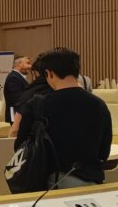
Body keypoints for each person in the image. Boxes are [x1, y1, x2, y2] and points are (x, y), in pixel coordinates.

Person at [15, 47, 112, 188]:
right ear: (76, 71)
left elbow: (20, 148)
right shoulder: (99, 104)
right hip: (93, 183)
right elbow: (104, 153)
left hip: (50, 185)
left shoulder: (38, 106)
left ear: (49, 73)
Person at [9, 57, 52, 137]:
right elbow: (15, 99)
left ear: (36, 73)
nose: (30, 66)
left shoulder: (29, 94)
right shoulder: (14, 77)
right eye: (28, 63)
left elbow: (15, 130)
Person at [3, 55, 31, 123]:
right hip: (16, 117)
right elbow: (18, 100)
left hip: (20, 115)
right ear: (20, 64)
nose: (30, 66)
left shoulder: (17, 76)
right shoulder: (13, 78)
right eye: (28, 63)